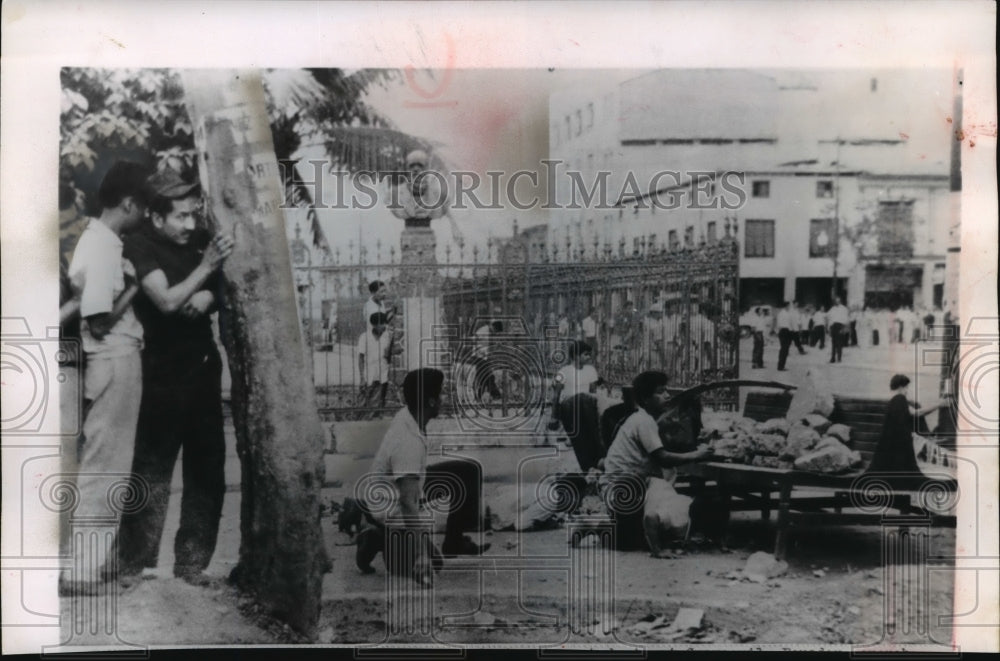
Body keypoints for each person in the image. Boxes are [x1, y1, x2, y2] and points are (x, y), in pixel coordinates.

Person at [116, 169, 234, 587]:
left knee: (207, 469)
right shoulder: (140, 245)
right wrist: (205, 271)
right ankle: (134, 563)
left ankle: (191, 564)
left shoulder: (202, 241)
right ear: (156, 216)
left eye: (192, 215)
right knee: (151, 471)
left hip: (202, 368)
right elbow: (165, 300)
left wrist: (208, 295)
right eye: (180, 217)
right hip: (160, 373)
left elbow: (225, 284)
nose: (190, 224)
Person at [61, 161, 151, 594]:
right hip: (112, 357)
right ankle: (80, 570)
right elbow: (98, 322)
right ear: (129, 203)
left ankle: (89, 565)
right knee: (106, 466)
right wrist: (134, 289)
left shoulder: (100, 241)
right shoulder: (103, 247)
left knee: (108, 465)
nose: (144, 215)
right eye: (142, 207)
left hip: (114, 360)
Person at [356, 368, 490, 585]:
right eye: (441, 394)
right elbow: (408, 502)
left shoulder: (411, 416)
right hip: (392, 508)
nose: (443, 399)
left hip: (407, 485)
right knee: (431, 564)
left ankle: (454, 541)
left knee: (469, 471)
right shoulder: (408, 441)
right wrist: (420, 555)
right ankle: (376, 536)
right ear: (430, 401)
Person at [601, 371, 713, 551]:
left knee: (637, 534)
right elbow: (663, 458)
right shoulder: (643, 421)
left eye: (666, 391)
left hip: (625, 488)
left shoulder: (641, 419)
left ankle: (624, 529)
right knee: (679, 509)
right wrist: (697, 455)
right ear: (645, 398)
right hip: (626, 489)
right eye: (660, 392)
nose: (667, 396)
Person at [550, 341, 605, 471]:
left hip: (586, 407)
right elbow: (556, 395)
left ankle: (597, 466)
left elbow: (593, 393)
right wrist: (554, 417)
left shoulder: (591, 370)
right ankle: (586, 468)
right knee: (579, 440)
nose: (589, 357)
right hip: (569, 408)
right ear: (575, 356)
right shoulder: (563, 371)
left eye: (589, 354)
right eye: (586, 354)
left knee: (592, 437)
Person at [867, 374, 938, 474]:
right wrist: (939, 405)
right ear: (901, 387)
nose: (907, 390)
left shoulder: (894, 401)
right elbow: (917, 413)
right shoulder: (900, 399)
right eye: (906, 387)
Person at [357, 312, 399, 410]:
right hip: (369, 374)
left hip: (382, 374)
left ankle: (375, 420)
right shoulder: (364, 337)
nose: (384, 326)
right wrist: (362, 378)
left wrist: (395, 350)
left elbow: (387, 354)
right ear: (374, 325)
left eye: (385, 323)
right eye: (381, 324)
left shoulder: (387, 336)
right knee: (363, 403)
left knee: (378, 404)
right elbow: (360, 358)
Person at [828, 296, 849, 363]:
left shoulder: (844, 309)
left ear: (840, 301)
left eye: (838, 301)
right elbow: (829, 318)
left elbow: (846, 319)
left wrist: (843, 328)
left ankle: (839, 358)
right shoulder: (832, 309)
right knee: (833, 343)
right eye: (836, 301)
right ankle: (833, 358)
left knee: (839, 343)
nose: (837, 302)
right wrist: (829, 328)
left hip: (840, 326)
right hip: (833, 326)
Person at [776, 301, 795, 371]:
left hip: (786, 331)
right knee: (784, 350)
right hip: (784, 331)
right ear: (786, 306)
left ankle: (781, 365)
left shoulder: (786, 313)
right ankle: (780, 366)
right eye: (789, 306)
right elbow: (780, 324)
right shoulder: (783, 313)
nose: (790, 307)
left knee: (785, 350)